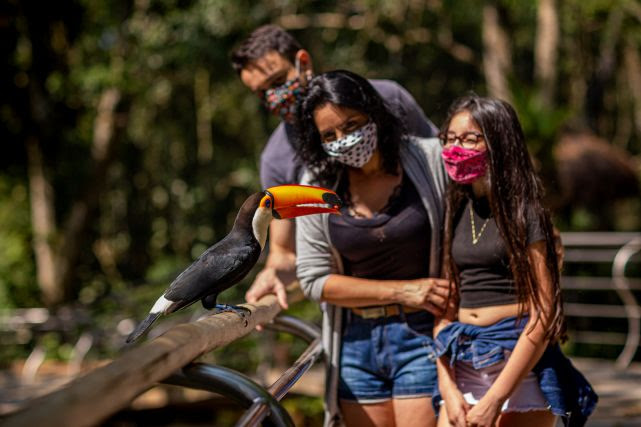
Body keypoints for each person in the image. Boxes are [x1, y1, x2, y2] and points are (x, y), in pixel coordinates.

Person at [230, 25, 438, 308]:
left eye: (278, 81)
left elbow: (440, 169)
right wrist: (272, 272)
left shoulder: (387, 97)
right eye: (261, 92)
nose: (273, 97)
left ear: (303, 62)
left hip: (431, 298)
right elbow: (285, 249)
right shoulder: (276, 159)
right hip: (355, 311)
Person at [294, 70, 450, 427]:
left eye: (352, 125)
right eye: (329, 135)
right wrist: (404, 290)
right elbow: (315, 280)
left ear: (374, 113)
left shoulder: (428, 160)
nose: (344, 140)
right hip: (354, 344)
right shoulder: (315, 185)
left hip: (423, 333)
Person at [433, 95, 597, 427]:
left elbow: (543, 313)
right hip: (462, 359)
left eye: (469, 139)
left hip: (518, 367)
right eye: (450, 139)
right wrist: (447, 388)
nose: (455, 147)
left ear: (498, 142)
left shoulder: (527, 213)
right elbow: (444, 310)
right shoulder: (456, 208)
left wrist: (495, 399)